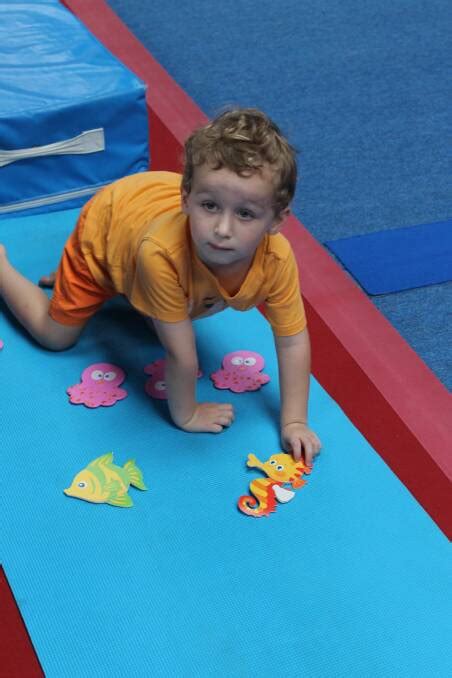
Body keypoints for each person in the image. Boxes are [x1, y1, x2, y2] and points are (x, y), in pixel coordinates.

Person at [0, 108, 321, 464]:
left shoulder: (276, 259)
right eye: (209, 206)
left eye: (245, 214)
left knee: (165, 313)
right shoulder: (161, 253)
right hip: (110, 224)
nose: (223, 229)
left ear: (277, 219)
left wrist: (294, 421)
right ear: (187, 199)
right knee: (55, 336)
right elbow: (180, 355)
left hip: (145, 215)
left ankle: (89, 279)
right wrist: (186, 413)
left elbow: (292, 340)